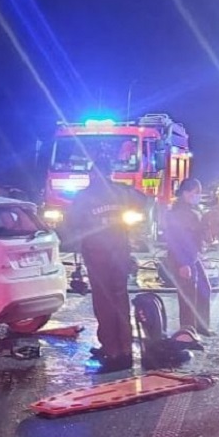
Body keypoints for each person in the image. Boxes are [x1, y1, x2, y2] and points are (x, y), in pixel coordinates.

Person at [64, 159, 145, 373]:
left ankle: (112, 352)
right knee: (120, 299)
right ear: (110, 174)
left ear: (92, 175)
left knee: (104, 302)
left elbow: (71, 222)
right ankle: (125, 350)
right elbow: (143, 201)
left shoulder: (84, 196)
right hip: (120, 252)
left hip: (97, 255)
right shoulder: (122, 192)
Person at [165, 178, 214, 336]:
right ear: (185, 193)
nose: (198, 196)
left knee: (204, 289)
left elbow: (199, 235)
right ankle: (188, 332)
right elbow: (174, 240)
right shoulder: (178, 213)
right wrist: (182, 264)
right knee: (188, 296)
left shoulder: (193, 210)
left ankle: (201, 326)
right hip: (183, 259)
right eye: (196, 192)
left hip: (192, 257)